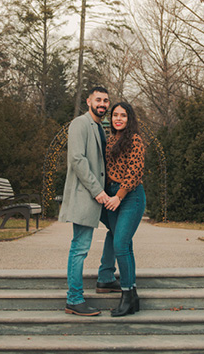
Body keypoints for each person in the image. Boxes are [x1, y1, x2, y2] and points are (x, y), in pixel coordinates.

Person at [57, 86, 118, 316]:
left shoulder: (100, 128)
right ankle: (74, 299)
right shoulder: (79, 124)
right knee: (80, 247)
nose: (103, 104)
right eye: (98, 99)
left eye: (106, 100)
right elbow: (77, 159)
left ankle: (105, 277)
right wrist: (97, 191)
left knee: (117, 229)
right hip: (87, 195)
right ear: (88, 101)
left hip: (100, 195)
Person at [102, 101, 147, 317]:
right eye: (115, 115)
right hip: (111, 196)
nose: (118, 118)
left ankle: (126, 295)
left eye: (123, 115)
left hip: (130, 196)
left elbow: (134, 172)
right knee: (125, 245)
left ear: (130, 119)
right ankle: (133, 297)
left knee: (120, 243)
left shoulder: (135, 140)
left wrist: (119, 197)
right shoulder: (110, 141)